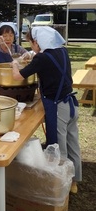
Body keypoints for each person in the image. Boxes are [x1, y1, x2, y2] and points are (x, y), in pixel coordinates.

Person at [11, 26, 82, 194]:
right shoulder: (62, 51)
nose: (31, 45)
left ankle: (61, 185)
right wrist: (29, 53)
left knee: (59, 148)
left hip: (58, 107)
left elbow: (17, 76)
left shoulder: (41, 58)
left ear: (38, 42)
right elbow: (37, 55)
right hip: (71, 104)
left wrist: (15, 64)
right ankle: (75, 181)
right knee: (73, 144)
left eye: (31, 42)